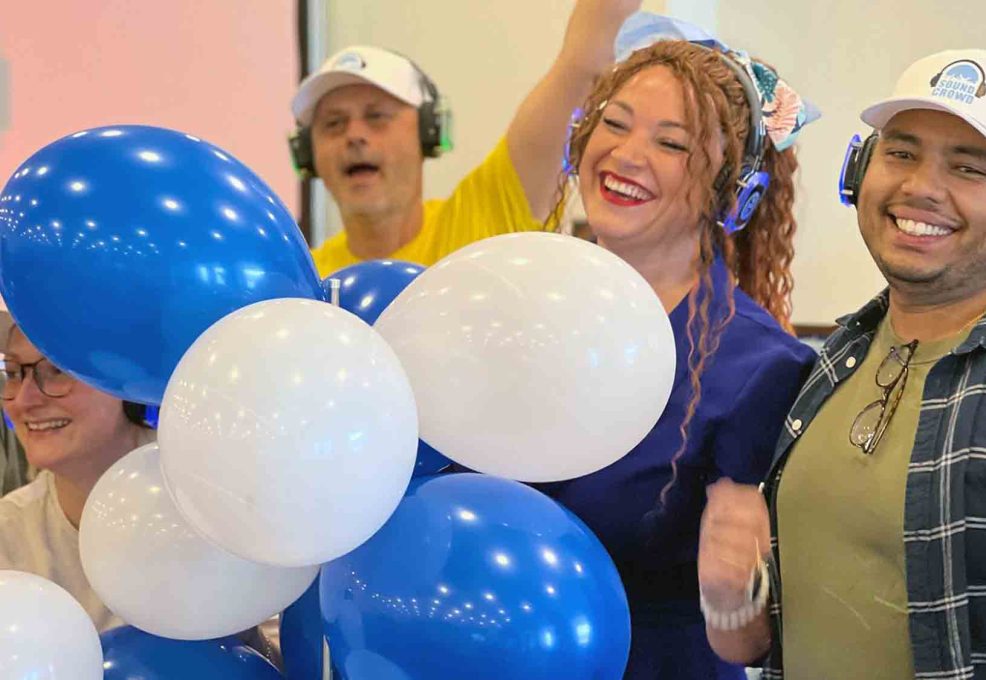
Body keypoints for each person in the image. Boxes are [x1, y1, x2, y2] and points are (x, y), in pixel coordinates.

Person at [533, 16, 818, 680]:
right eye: (616, 122)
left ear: (730, 192)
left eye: (672, 143)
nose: (627, 154)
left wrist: (731, 593)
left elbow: (751, 635)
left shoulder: (761, 368)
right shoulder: (525, 308)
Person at [698, 49, 986, 679]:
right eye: (901, 154)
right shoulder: (830, 364)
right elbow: (756, 644)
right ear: (860, 170)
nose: (920, 188)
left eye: (970, 168)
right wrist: (728, 597)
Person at [291, 0, 643, 277]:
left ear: (430, 131)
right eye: (333, 124)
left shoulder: (488, 214)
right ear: (308, 154)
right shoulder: (301, 280)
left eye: (376, 116)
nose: (354, 135)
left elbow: (585, 60)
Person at [0, 323, 154, 632]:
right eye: (14, 372)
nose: (23, 400)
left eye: (57, 369)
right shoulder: (10, 531)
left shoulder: (205, 493)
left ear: (124, 382)